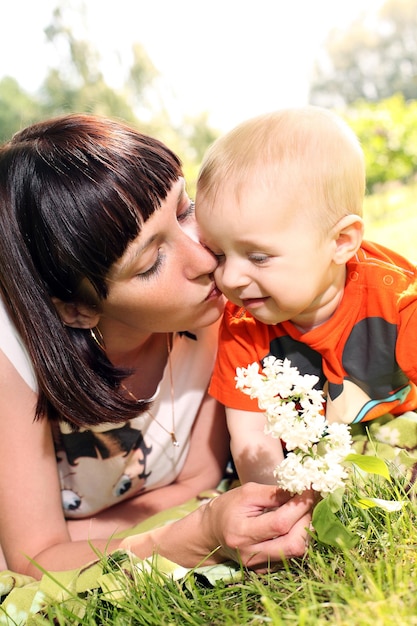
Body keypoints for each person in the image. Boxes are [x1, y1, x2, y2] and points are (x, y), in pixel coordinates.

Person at [0, 113, 314, 579]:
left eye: (185, 210)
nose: (206, 258)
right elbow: (32, 562)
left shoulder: (221, 308)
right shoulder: (14, 360)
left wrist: (77, 536)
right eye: (150, 263)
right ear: (75, 308)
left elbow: (201, 478)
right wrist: (197, 531)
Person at [195, 105, 417, 486]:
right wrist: (272, 507)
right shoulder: (241, 323)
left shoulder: (397, 302)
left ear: (341, 242)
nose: (229, 277)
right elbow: (252, 440)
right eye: (217, 254)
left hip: (391, 426)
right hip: (307, 455)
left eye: (258, 257)